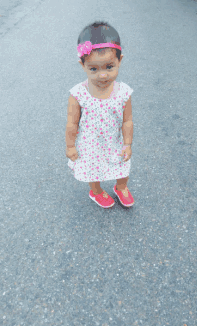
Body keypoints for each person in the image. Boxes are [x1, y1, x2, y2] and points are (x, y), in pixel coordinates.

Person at [66, 21, 134, 209]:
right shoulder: (78, 94)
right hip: (89, 145)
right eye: (94, 69)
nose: (102, 75)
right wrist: (70, 146)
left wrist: (127, 143)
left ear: (120, 60)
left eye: (109, 67)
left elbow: (127, 120)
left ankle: (121, 187)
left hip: (115, 141)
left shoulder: (123, 92)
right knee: (92, 171)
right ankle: (95, 191)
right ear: (83, 65)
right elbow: (72, 123)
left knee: (122, 166)